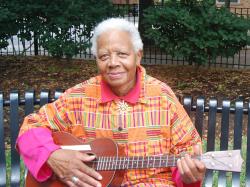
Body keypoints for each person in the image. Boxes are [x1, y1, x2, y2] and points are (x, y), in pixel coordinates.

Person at [16, 18, 206, 187]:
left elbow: (188, 151)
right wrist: (52, 155)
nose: (112, 63)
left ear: (138, 55)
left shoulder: (163, 96)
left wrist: (190, 177)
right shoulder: (78, 96)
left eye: (122, 54)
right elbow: (30, 128)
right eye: (104, 56)